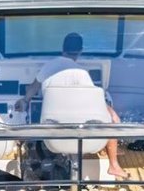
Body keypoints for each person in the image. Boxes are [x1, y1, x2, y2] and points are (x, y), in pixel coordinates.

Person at [27, 32, 127, 180]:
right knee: (113, 119)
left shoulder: (48, 67)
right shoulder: (82, 73)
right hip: (82, 135)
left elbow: (33, 88)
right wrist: (111, 111)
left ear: (62, 48)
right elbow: (95, 100)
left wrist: (24, 100)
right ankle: (114, 166)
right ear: (80, 50)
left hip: (53, 136)